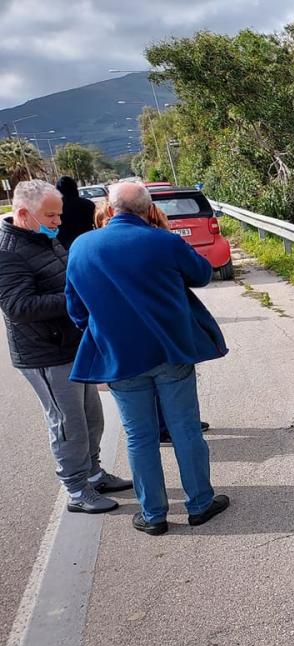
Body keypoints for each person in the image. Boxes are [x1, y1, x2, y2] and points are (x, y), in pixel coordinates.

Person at [65, 182, 230, 536]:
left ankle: (153, 514)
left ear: (109, 210)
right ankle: (200, 503)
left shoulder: (81, 246)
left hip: (119, 356)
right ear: (149, 209)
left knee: (138, 436)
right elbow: (202, 274)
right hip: (170, 350)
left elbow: (76, 310)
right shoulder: (163, 241)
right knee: (185, 428)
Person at [0, 180, 131, 513]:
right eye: (51, 215)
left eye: (58, 215)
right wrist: (77, 297)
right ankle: (76, 489)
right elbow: (19, 307)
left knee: (91, 417)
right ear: (24, 214)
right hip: (45, 353)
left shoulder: (44, 239)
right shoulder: (8, 252)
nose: (58, 221)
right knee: (66, 424)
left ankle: (93, 472)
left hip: (71, 346)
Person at [54, 176, 96, 251]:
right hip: (88, 242)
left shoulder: (55, 208)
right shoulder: (88, 204)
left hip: (66, 247)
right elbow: (96, 223)